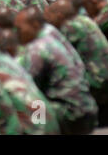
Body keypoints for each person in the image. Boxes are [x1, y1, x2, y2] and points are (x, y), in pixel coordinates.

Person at [15, 7, 98, 135]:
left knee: (31, 104)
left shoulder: (38, 47)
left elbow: (28, 85)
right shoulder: (51, 32)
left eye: (19, 29)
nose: (17, 33)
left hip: (70, 113)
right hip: (86, 107)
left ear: (35, 25)